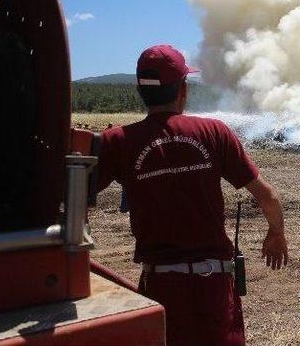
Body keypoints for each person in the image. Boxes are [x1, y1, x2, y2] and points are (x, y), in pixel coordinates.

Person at [96, 44, 288, 346]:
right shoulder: (214, 132)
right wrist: (276, 233)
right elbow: (268, 196)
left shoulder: (117, 141)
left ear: (139, 90)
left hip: (161, 285)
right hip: (213, 286)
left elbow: (73, 194)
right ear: (182, 89)